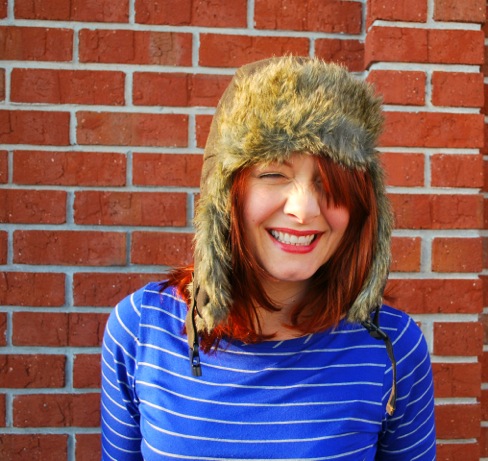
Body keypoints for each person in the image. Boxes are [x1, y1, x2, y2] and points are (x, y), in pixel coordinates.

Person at [101, 56, 436, 460]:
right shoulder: (140, 329)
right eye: (274, 174)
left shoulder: (392, 347)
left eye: (329, 181)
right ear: (226, 195)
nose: (304, 209)